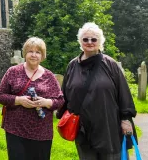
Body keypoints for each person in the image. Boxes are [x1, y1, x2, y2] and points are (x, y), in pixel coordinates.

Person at [58, 22, 137, 160]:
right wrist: (61, 113)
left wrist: (126, 118)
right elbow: (64, 94)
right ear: (80, 42)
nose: (89, 42)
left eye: (94, 39)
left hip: (108, 125)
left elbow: (123, 93)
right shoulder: (72, 66)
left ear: (100, 42)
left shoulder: (110, 64)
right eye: (85, 39)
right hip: (83, 127)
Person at [0, 37, 64, 160]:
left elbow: (60, 100)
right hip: (15, 130)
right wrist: (19, 100)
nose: (34, 55)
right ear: (25, 53)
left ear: (42, 55)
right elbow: (0, 95)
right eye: (30, 51)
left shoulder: (49, 76)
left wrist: (45, 102)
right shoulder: (13, 71)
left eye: (37, 52)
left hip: (42, 132)